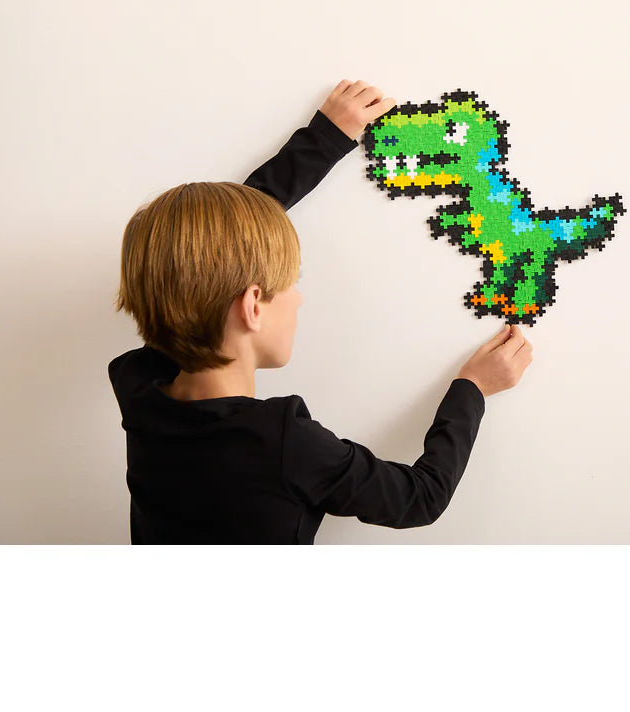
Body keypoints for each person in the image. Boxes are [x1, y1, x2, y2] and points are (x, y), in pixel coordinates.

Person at [109, 78, 534, 544]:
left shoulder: (140, 390)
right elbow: (421, 497)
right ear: (252, 307)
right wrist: (473, 388)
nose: (299, 298)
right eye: (290, 282)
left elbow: (206, 256)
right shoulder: (286, 444)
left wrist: (326, 138)